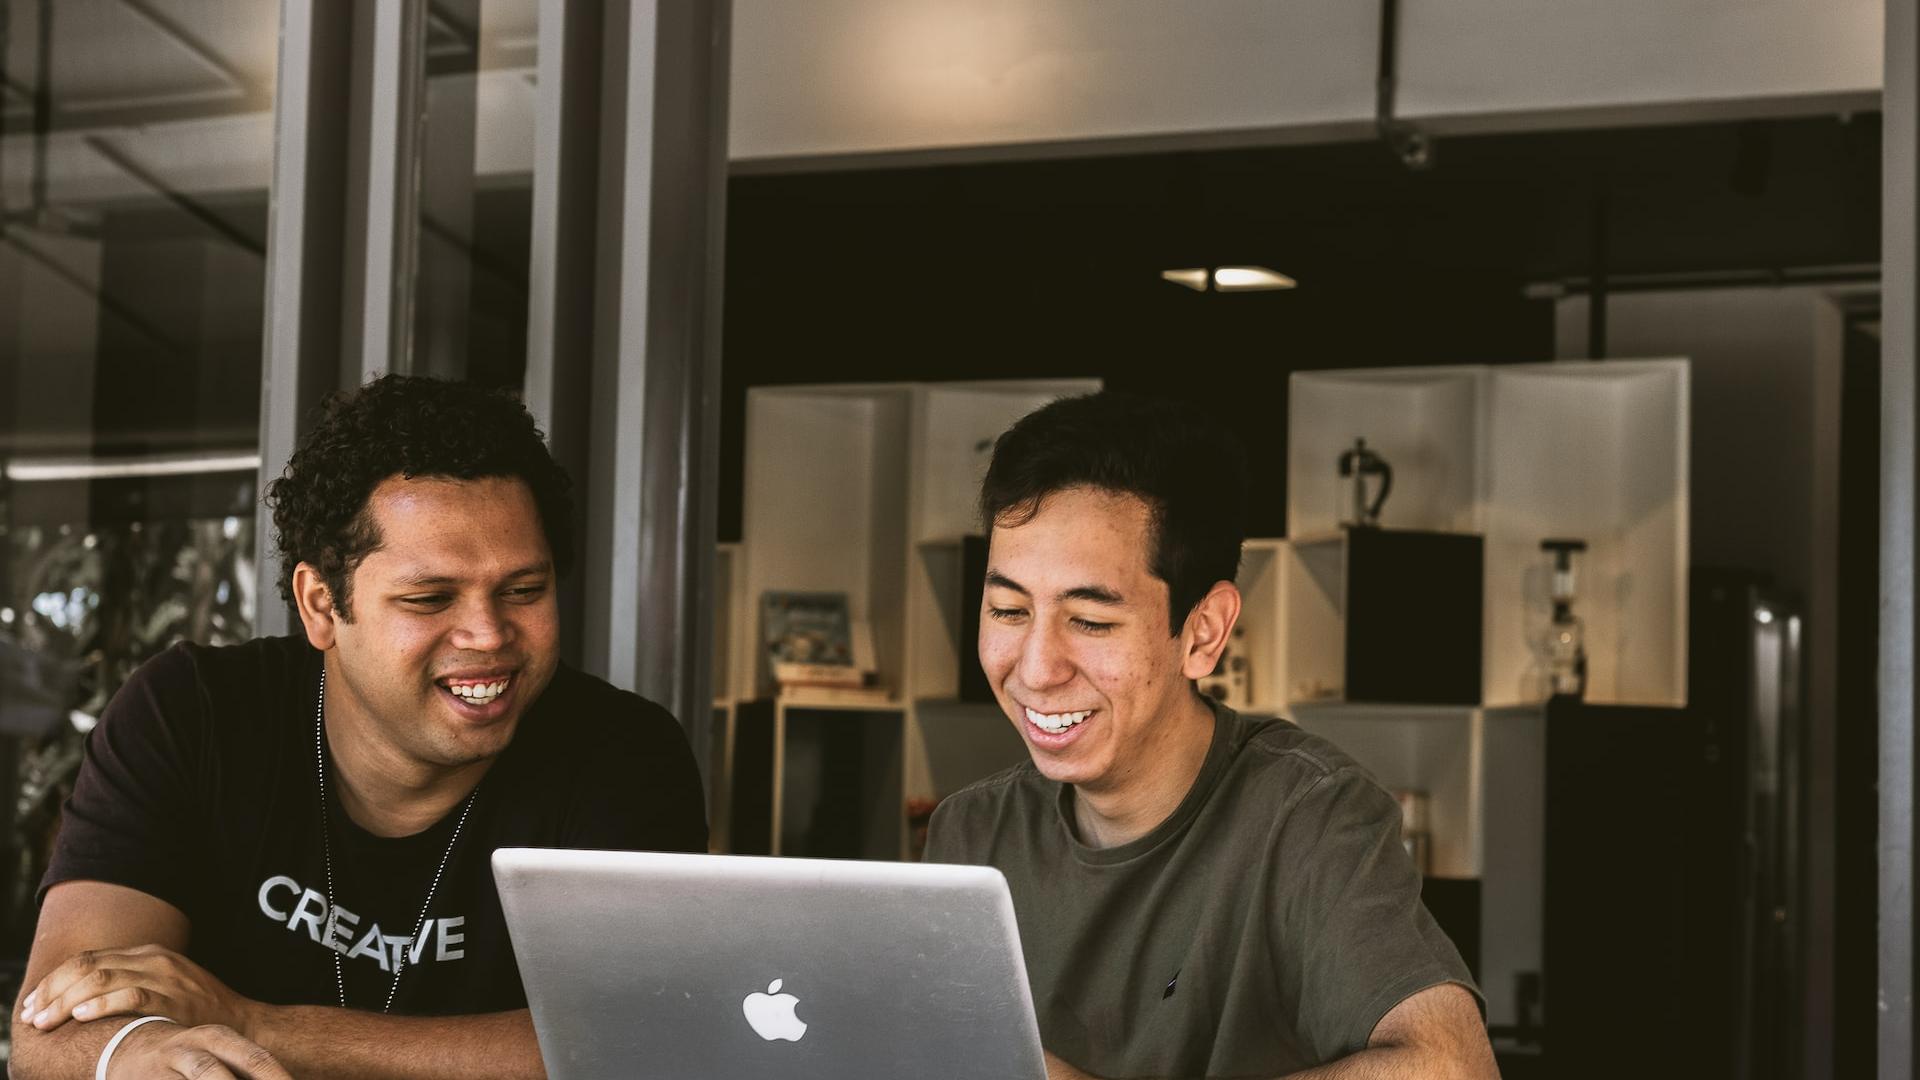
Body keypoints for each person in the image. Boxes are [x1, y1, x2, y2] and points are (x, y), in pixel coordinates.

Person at [9, 376, 707, 1080]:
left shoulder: (623, 755)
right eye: (429, 598)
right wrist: (131, 1052)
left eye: (525, 591)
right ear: (320, 605)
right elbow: (47, 1033)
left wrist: (256, 1025)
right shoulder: (193, 714)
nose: (490, 634)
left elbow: (632, 1046)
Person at [923, 392, 1499, 1079]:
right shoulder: (973, 833)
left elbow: (1453, 1066)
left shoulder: (1309, 817)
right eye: (1008, 609)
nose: (1037, 669)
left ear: (1203, 633)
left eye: (1091, 621)